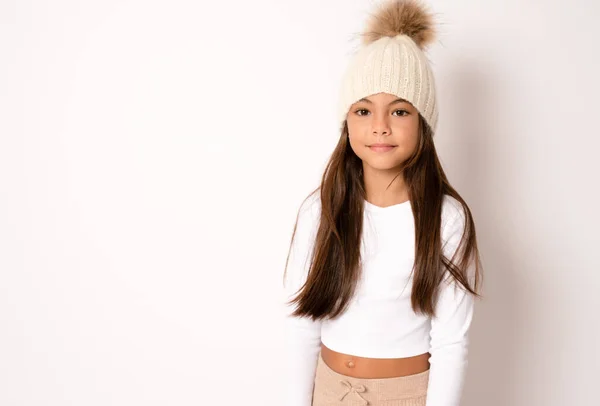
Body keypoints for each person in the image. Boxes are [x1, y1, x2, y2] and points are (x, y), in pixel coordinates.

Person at [282, 0, 484, 405]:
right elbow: (303, 326)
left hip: (406, 395)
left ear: (423, 123)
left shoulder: (446, 218)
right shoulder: (320, 211)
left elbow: (450, 343)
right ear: (347, 123)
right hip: (329, 390)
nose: (379, 126)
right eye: (363, 110)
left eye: (399, 110)